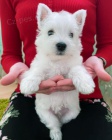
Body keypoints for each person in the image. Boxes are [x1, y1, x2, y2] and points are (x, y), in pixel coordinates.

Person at [0, 0, 112, 140]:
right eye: (51, 32)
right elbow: (10, 54)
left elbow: (108, 44)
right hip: (30, 97)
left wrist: (97, 62)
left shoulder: (74, 60)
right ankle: (53, 126)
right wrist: (26, 76)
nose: (61, 42)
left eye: (71, 34)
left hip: (86, 99)